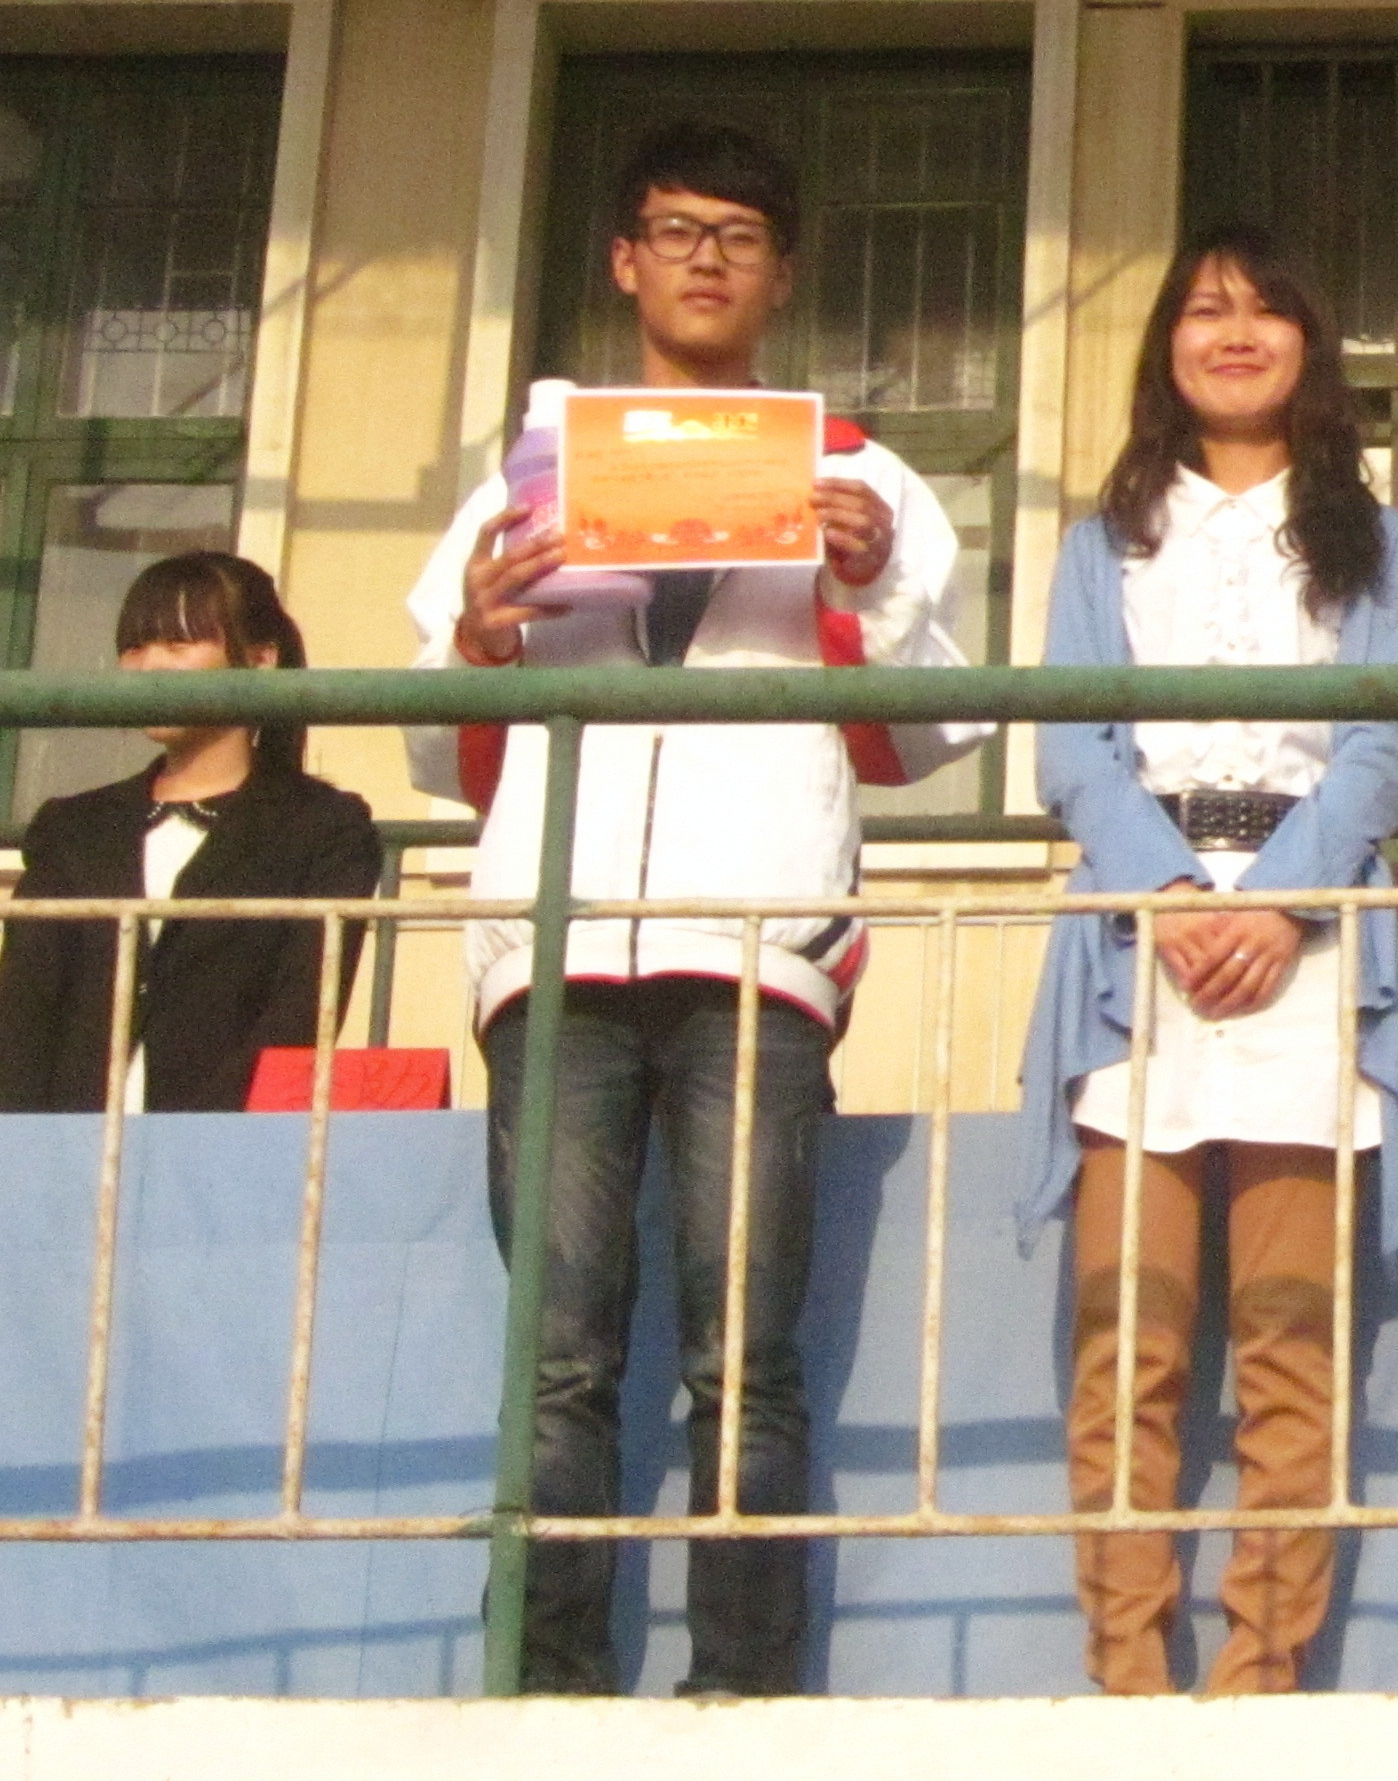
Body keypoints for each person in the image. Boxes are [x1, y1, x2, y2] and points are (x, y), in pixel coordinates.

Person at [406, 121, 979, 1698]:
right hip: (554, 946)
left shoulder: (859, 476)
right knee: (561, 1357)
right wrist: (479, 638)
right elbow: (442, 752)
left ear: (783, 275)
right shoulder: (523, 475)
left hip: (756, 948)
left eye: (739, 235)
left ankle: (742, 1690)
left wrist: (864, 587)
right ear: (623, 260)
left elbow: (923, 735)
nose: (706, 258)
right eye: (675, 229)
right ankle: (545, 1688)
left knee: (745, 1359)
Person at [1014, 226, 1398, 1697]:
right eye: (1205, 309)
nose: (1235, 333)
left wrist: (1279, 906)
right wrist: (1176, 895)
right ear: (1167, 345)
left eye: (1265, 310)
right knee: (1126, 1346)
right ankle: (1129, 1679)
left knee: (1289, 1350)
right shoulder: (1102, 543)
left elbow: (1385, 747)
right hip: (1142, 954)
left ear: (1310, 345)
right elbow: (1072, 748)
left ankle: (1261, 1676)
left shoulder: (1373, 539)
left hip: (1306, 953)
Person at [0, 553, 382, 1116]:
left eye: (178, 645)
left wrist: (215, 1140)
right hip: (67, 1146)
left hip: (226, 1146)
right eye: (134, 646)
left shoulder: (323, 828)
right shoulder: (72, 827)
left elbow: (297, 1017)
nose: (150, 665)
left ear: (260, 660)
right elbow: (23, 1018)